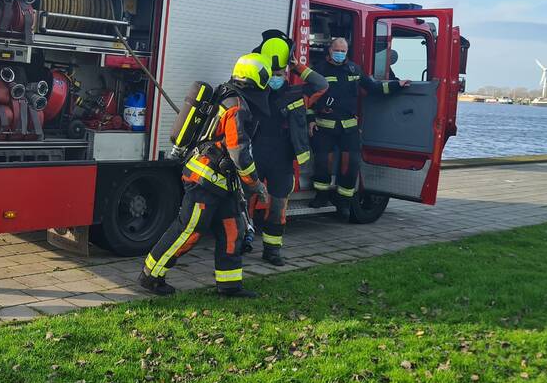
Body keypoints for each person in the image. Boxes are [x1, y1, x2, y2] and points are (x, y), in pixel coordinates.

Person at [138, 53, 271, 298]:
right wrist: (254, 184)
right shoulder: (236, 106)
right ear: (259, 78)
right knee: (190, 230)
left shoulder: (232, 97)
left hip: (224, 183)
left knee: (233, 232)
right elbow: (239, 152)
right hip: (205, 180)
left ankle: (230, 286)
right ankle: (151, 275)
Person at [251, 30, 328, 265]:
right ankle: (240, 244)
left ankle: (272, 251)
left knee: (277, 207)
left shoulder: (296, 92)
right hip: (254, 157)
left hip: (282, 161)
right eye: (272, 73)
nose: (276, 77)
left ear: (286, 73)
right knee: (243, 204)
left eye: (280, 73)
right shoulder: (254, 92)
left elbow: (321, 84)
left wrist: (297, 66)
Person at [309, 37, 410, 209]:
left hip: (349, 128)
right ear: (330, 50)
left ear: (347, 51)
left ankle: (344, 201)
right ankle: (322, 196)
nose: (340, 53)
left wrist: (396, 85)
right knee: (322, 162)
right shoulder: (319, 70)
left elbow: (373, 87)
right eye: (337, 50)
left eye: (343, 51)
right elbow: (308, 98)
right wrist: (310, 120)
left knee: (351, 164)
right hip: (324, 126)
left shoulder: (354, 69)